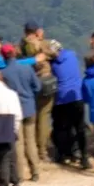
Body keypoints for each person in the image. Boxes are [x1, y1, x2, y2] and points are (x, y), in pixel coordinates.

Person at [1, 44, 42, 183]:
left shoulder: (4, 73)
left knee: (18, 143)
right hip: (29, 107)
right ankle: (35, 171)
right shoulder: (26, 68)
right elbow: (38, 86)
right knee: (31, 141)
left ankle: (19, 175)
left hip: (14, 110)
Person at [20, 22, 56, 162]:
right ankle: (42, 151)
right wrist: (41, 39)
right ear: (36, 32)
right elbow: (56, 53)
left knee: (31, 117)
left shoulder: (21, 46)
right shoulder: (42, 44)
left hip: (29, 83)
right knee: (44, 116)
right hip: (45, 82)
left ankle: (30, 149)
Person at [50, 45, 86, 169]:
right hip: (77, 95)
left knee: (61, 128)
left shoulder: (53, 64)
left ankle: (62, 154)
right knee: (80, 128)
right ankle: (84, 157)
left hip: (61, 99)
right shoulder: (71, 55)